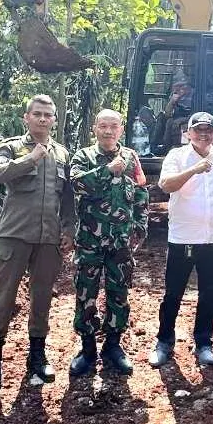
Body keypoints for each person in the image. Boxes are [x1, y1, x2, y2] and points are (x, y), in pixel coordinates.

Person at [0, 94, 76, 390]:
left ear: (55, 120)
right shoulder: (11, 147)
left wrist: (70, 229)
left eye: (48, 115)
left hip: (49, 238)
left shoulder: (62, 154)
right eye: (37, 114)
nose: (43, 119)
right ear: (27, 118)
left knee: (42, 297)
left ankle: (37, 355)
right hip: (14, 235)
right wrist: (29, 159)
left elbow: (69, 198)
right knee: (3, 298)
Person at [148, 112, 213, 368]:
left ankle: (204, 343)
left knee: (209, 293)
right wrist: (195, 169)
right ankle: (164, 342)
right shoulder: (177, 156)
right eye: (198, 130)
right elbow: (166, 185)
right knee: (173, 292)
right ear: (188, 133)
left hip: (211, 239)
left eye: (208, 130)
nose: (203, 134)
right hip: (183, 238)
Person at [68, 109, 149, 377]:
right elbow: (77, 185)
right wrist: (107, 171)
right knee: (85, 293)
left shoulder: (131, 157)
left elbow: (140, 192)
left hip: (121, 242)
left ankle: (113, 346)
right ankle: (88, 348)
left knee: (119, 293)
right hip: (90, 241)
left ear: (121, 129)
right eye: (103, 126)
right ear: (95, 129)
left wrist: (140, 226)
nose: (108, 131)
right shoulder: (83, 156)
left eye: (113, 126)